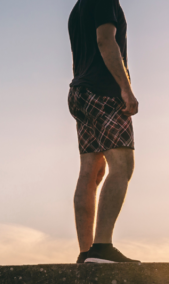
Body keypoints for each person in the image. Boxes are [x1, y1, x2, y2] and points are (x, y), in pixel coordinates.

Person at [67, 0, 140, 263]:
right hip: (104, 91)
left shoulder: (78, 8)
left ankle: (87, 253)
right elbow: (105, 40)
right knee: (122, 165)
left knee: (91, 171)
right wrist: (125, 88)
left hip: (80, 92)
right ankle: (102, 247)